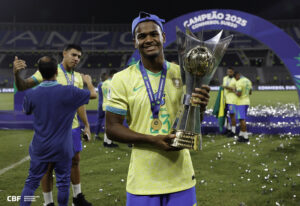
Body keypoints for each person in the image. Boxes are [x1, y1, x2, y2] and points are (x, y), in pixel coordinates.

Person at [105, 11, 210, 206]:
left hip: (181, 179)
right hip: (142, 183)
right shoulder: (122, 79)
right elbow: (111, 128)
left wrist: (200, 108)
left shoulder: (185, 73)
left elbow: (191, 124)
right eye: (142, 36)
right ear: (135, 42)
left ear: (163, 37)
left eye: (154, 33)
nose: (148, 39)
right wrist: (151, 140)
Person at [13, 44, 93, 206]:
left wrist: (87, 125)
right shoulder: (49, 71)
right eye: (73, 55)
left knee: (74, 161)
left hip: (68, 131)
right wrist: (17, 75)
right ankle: (49, 202)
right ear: (64, 54)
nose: (76, 59)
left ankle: (77, 196)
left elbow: (80, 105)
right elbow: (24, 85)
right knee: (54, 174)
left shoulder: (77, 77)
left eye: (79, 56)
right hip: (61, 139)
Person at [102, 69, 119, 147]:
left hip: (105, 104)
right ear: (113, 75)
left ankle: (105, 141)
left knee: (107, 124)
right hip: (111, 105)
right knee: (111, 125)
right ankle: (109, 142)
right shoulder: (112, 83)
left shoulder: (104, 83)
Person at [234, 71, 252, 143]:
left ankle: (246, 137)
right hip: (247, 102)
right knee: (242, 119)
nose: (236, 79)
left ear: (237, 75)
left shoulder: (239, 82)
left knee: (242, 119)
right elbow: (250, 92)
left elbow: (239, 94)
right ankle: (241, 135)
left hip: (241, 102)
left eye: (235, 78)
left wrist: (234, 91)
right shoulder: (248, 80)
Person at [222, 67, 237, 137]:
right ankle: (228, 129)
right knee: (224, 115)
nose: (229, 73)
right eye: (228, 72)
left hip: (232, 100)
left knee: (232, 115)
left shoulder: (236, 79)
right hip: (224, 100)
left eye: (230, 72)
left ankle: (233, 131)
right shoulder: (225, 78)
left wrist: (227, 87)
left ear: (233, 72)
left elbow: (236, 89)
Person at [94, 73, 108, 140]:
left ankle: (96, 135)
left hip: (100, 104)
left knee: (99, 120)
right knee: (108, 121)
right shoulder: (107, 84)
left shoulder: (99, 84)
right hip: (106, 104)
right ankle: (107, 137)